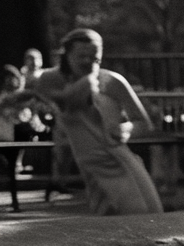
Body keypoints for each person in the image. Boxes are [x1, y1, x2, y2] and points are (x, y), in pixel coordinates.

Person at [30, 28, 163, 215]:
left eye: (94, 57)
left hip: (117, 159)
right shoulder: (52, 80)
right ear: (67, 55)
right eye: (81, 56)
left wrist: (125, 129)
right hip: (90, 166)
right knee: (107, 223)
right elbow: (58, 109)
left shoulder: (112, 81)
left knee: (141, 216)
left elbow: (143, 123)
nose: (87, 62)